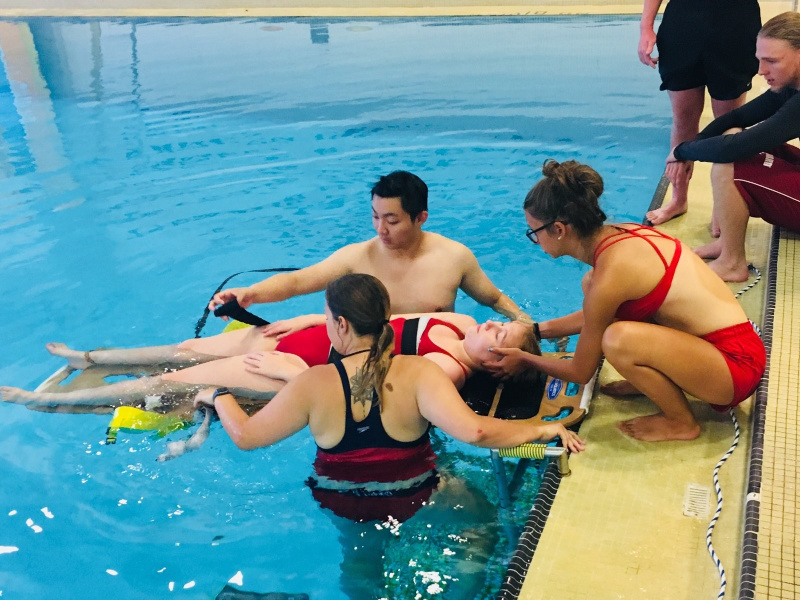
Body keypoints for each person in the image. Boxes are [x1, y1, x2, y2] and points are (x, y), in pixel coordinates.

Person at [488, 160, 766, 442]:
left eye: (534, 232)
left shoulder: (612, 275)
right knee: (592, 285)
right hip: (726, 348)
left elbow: (581, 371)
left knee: (617, 339)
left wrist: (525, 359)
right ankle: (651, 381)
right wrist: (536, 331)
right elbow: (597, 313)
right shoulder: (623, 235)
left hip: (735, 368)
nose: (535, 241)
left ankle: (681, 422)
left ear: (559, 229)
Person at [0, 302, 539, 408]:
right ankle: (88, 358)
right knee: (182, 349)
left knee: (167, 385)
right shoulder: (461, 323)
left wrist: (293, 373)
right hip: (305, 332)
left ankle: (34, 401)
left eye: (503, 337)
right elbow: (386, 311)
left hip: (289, 370)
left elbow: (366, 395)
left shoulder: (447, 369)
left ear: (493, 364)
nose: (493, 325)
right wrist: (312, 318)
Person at [209, 169, 529, 320]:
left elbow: (495, 299)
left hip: (438, 361)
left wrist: (528, 327)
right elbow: (297, 282)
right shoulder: (357, 258)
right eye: (375, 217)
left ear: (420, 218)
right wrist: (249, 293)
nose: (381, 229)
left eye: (392, 220)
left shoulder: (454, 257)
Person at [667, 12, 800, 282]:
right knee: (733, 134)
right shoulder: (791, 85)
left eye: (771, 61)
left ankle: (731, 263)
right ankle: (725, 244)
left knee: (732, 162)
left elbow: (734, 149)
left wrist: (681, 152)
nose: (761, 71)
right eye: (760, 60)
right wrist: (690, 147)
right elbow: (737, 118)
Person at [639, 0, 761, 227]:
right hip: (684, 23)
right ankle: (678, 199)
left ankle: (725, 205)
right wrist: (646, 27)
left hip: (735, 24)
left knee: (729, 124)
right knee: (683, 118)